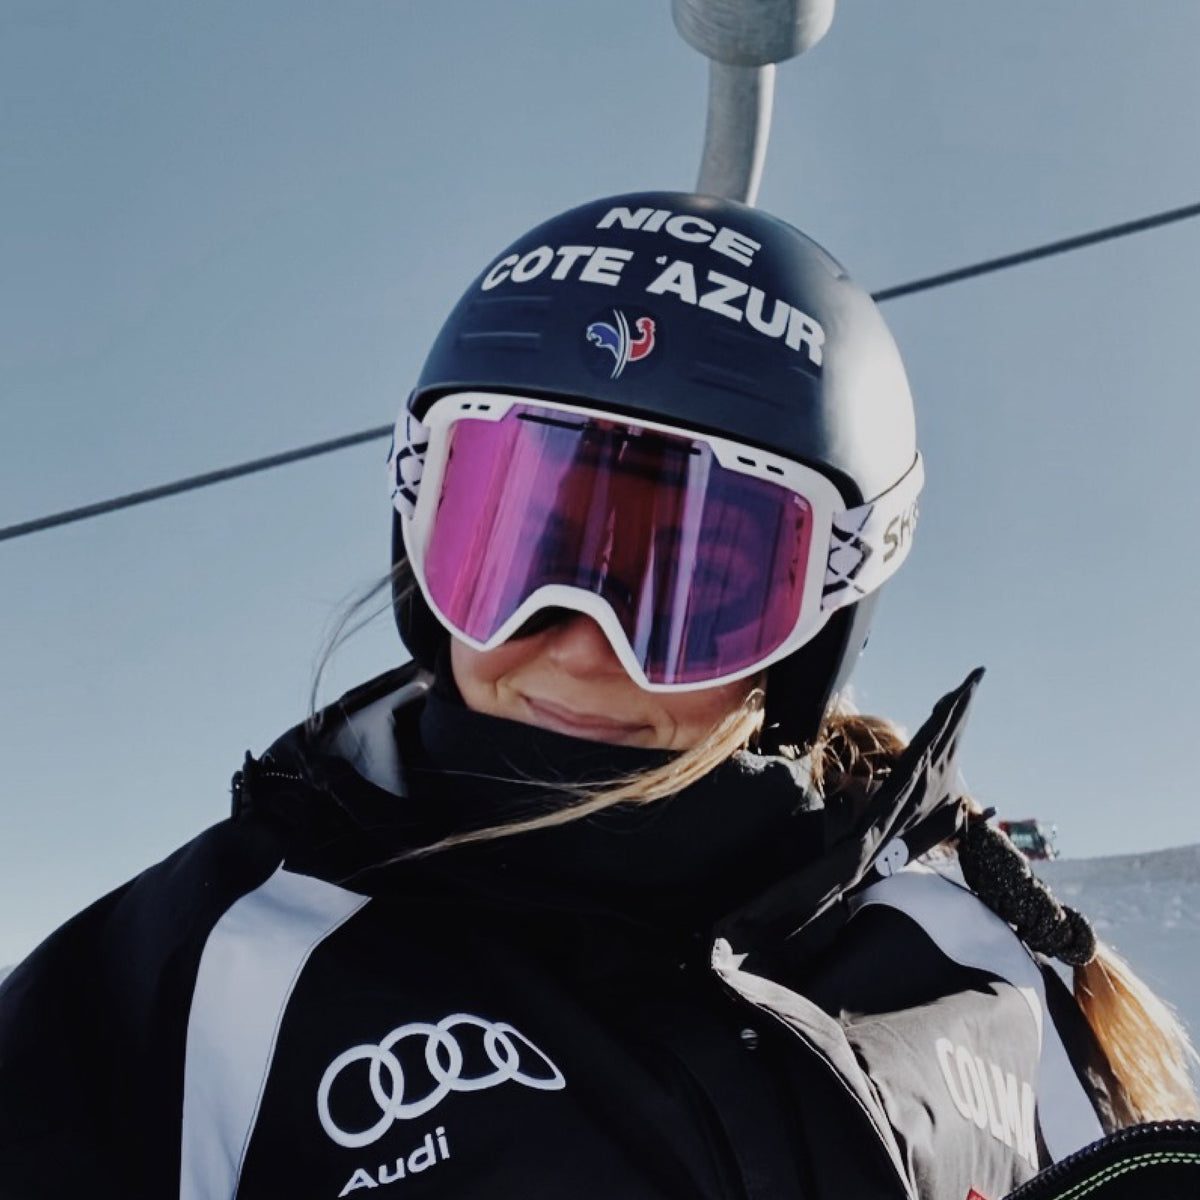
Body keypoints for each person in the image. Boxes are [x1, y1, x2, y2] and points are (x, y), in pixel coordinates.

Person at [0, 191, 1195, 1200]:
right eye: (513, 551)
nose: (580, 648)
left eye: (692, 589)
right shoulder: (205, 981)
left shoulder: (964, 962)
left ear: (822, 616)